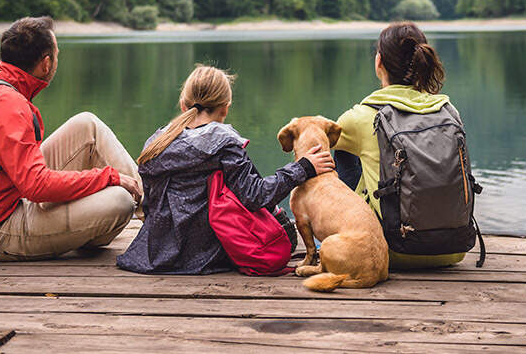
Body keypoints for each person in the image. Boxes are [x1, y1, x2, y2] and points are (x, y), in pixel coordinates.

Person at [0, 16, 143, 261]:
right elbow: (37, 187)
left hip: (8, 197)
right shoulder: (8, 105)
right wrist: (109, 177)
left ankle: (154, 213)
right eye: (57, 53)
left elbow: (29, 180)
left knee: (87, 125)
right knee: (120, 201)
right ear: (46, 63)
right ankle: (154, 216)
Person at [117, 65, 335, 274]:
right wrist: (302, 168)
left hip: (154, 252)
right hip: (206, 254)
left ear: (184, 104)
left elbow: (149, 204)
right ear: (225, 107)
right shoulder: (224, 143)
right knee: (282, 228)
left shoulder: (156, 142)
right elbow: (256, 196)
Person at [333, 22, 466, 269]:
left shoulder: (360, 117)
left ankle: (339, 234)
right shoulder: (449, 111)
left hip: (388, 250)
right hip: (454, 248)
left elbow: (319, 145)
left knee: (341, 149)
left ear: (378, 62)